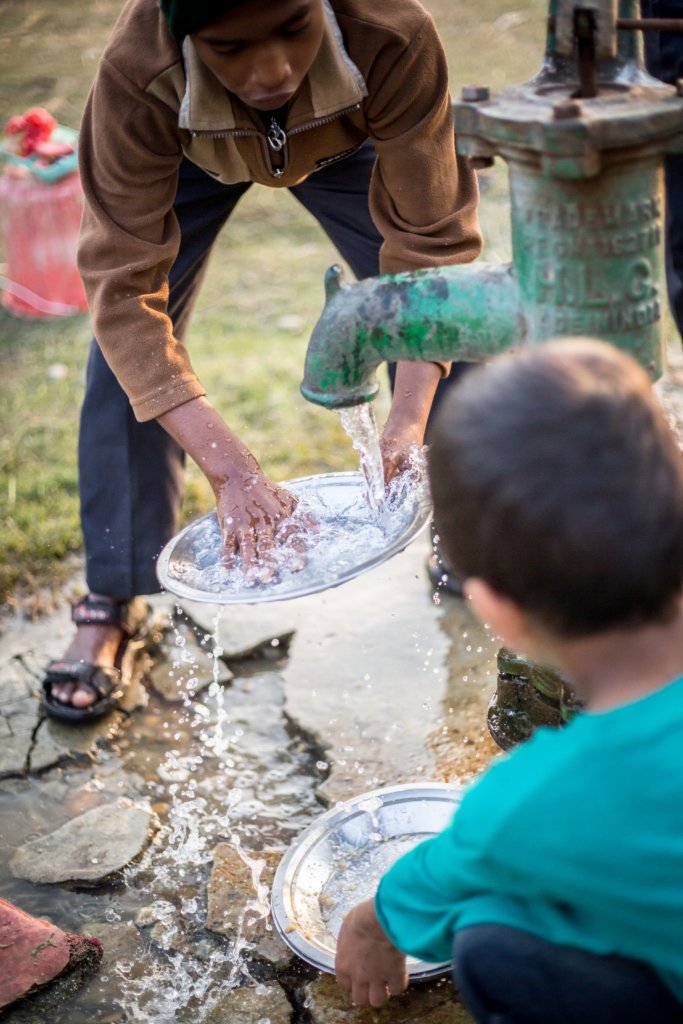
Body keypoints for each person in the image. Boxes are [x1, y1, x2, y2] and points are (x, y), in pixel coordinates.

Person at [41, 0, 482, 721]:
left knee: (454, 329)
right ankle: (113, 600)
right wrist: (231, 469)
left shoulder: (391, 35)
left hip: (348, 139)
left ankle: (475, 540)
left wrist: (406, 423)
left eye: (292, 29)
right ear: (186, 37)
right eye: (230, 47)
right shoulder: (140, 72)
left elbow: (430, 249)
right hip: (186, 153)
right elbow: (124, 290)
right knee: (132, 367)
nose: (271, 70)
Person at [334, 338, 683, 1024]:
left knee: (491, 938)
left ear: (496, 611)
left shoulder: (529, 800)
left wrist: (370, 925)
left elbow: (443, 876)